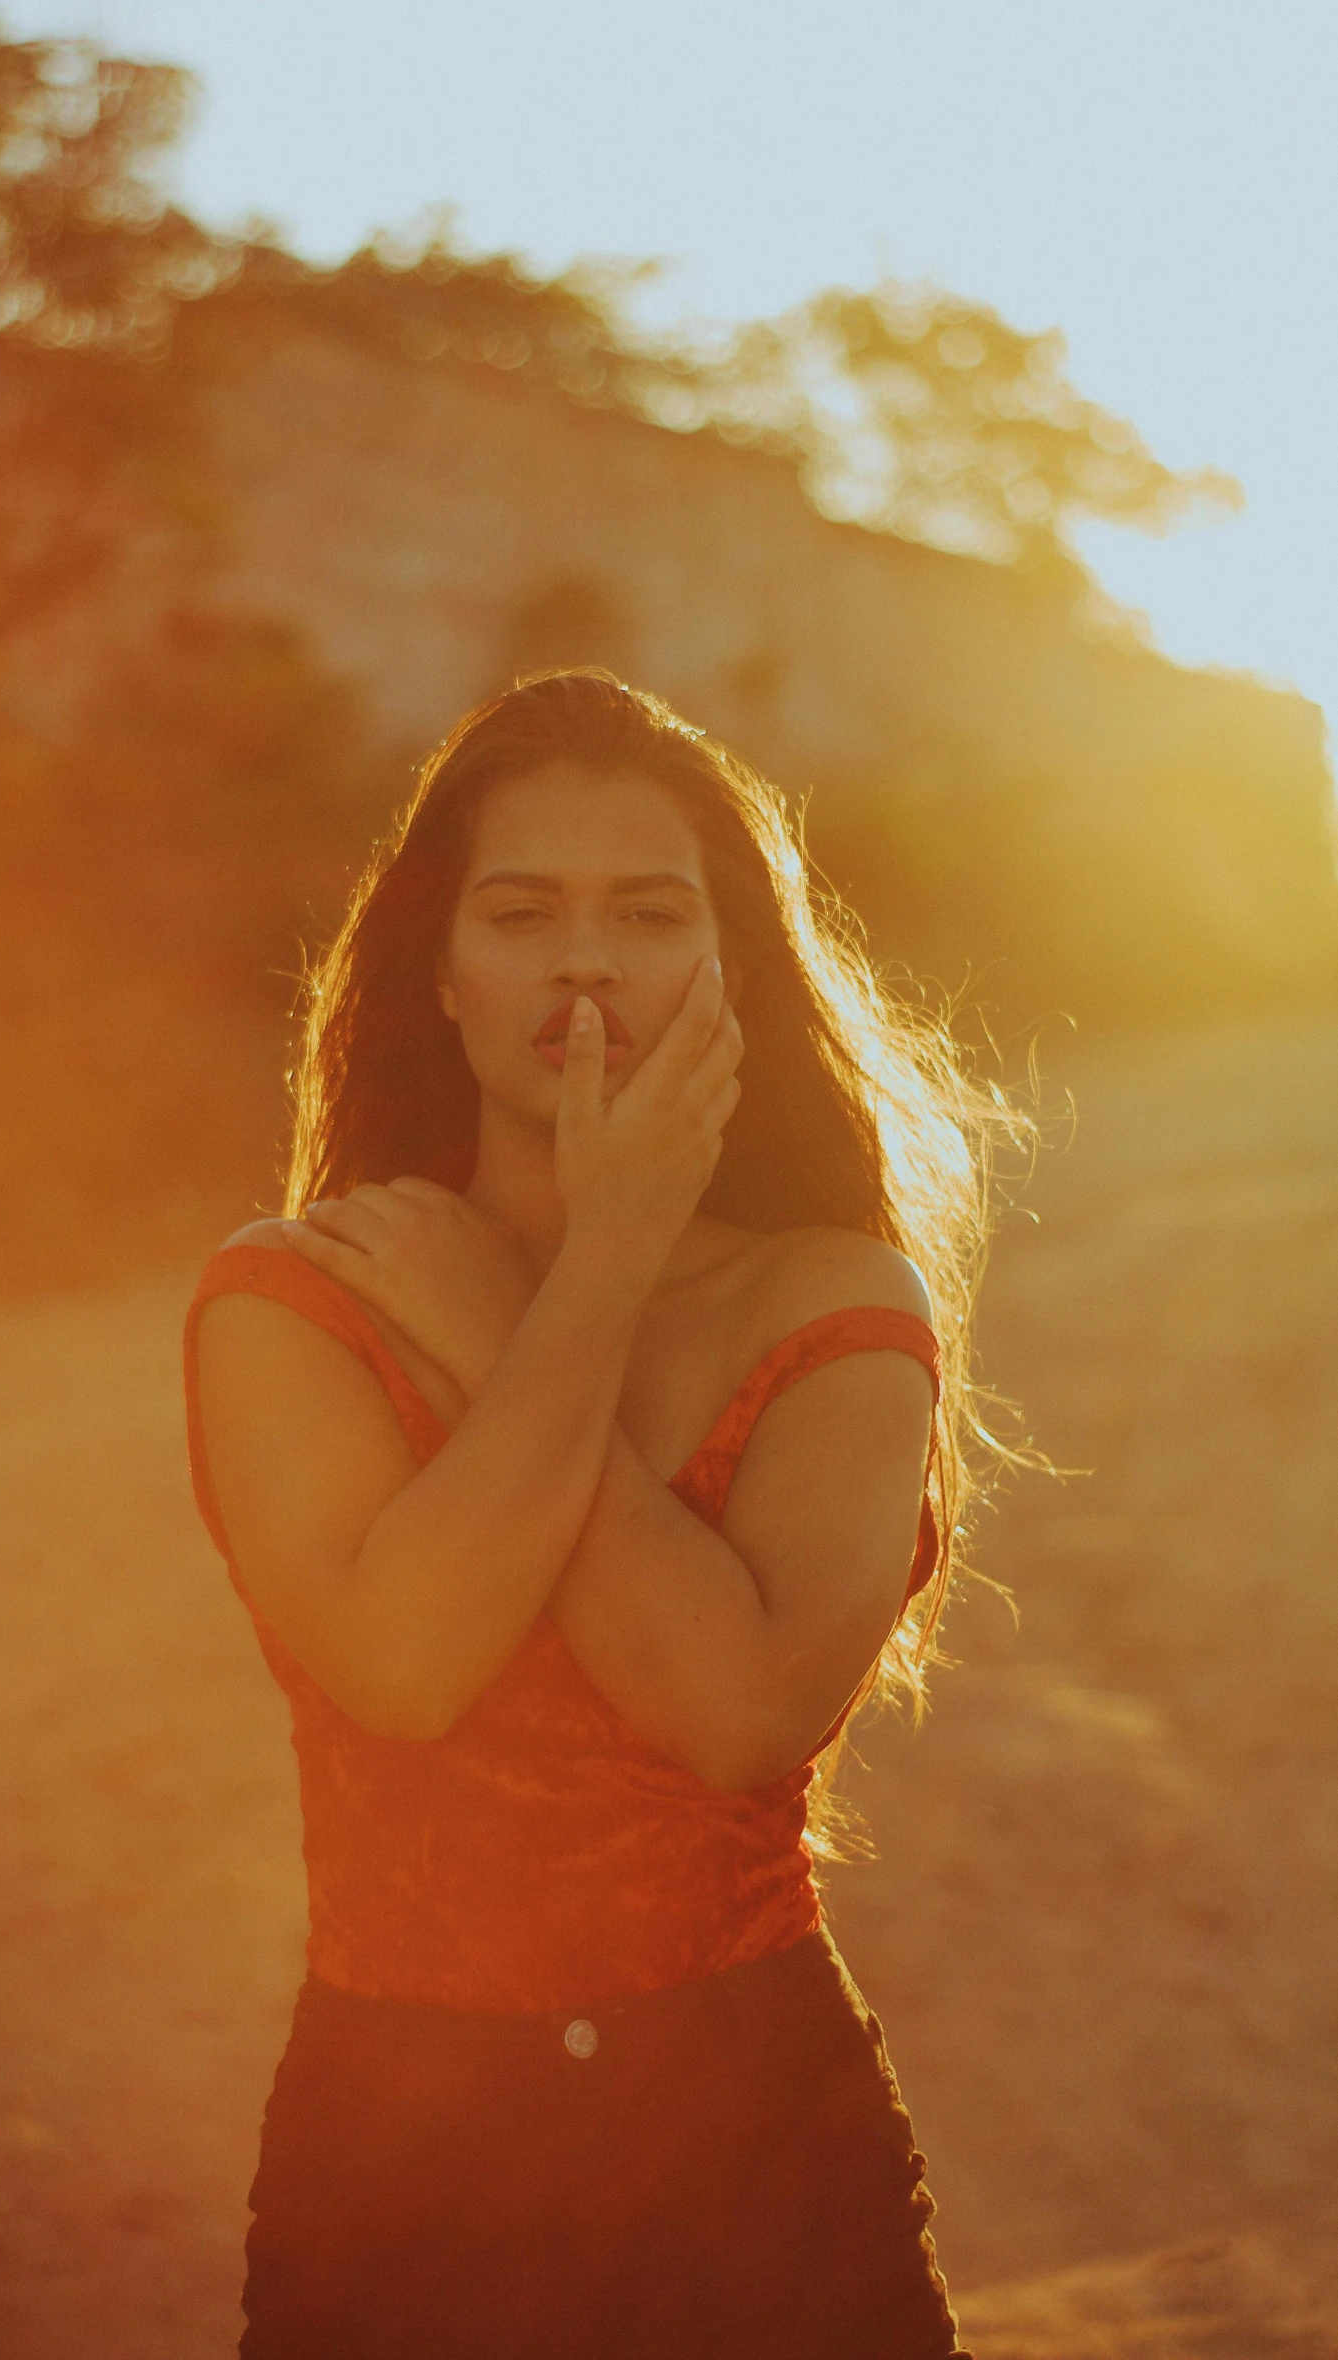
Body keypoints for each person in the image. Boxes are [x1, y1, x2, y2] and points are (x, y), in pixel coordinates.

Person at [185, 669, 1012, 2357]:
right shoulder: (296, 1298)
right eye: (522, 911)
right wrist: (589, 1279)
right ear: (442, 971)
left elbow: (735, 1712)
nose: (584, 960)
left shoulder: (837, 1302)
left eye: (647, 913)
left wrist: (570, 1281)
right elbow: (405, 1667)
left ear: (731, 973)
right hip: (398, 2164)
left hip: (760, 2149)